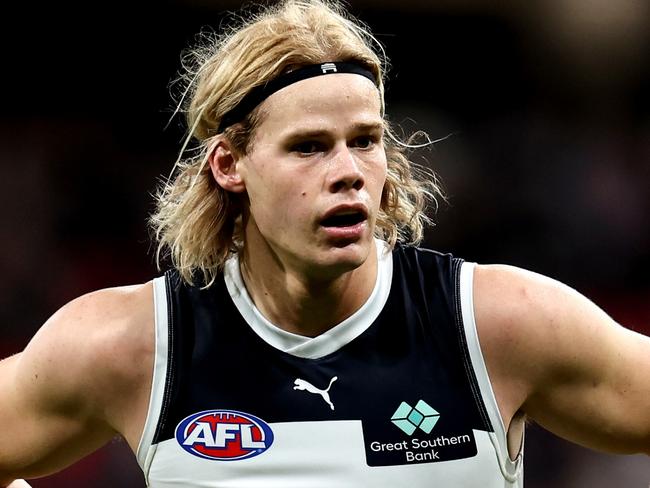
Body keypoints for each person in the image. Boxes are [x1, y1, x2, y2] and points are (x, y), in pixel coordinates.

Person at [1, 0, 649, 486]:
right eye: (309, 146)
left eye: (364, 141)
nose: (347, 171)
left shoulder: (495, 324)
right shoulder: (133, 344)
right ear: (229, 164)